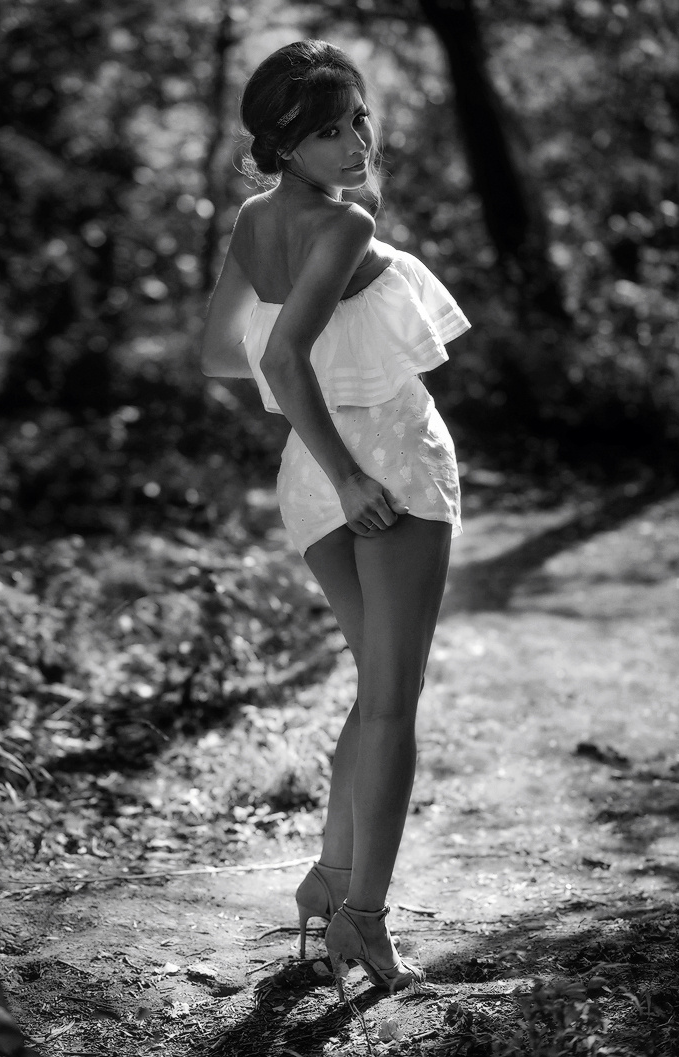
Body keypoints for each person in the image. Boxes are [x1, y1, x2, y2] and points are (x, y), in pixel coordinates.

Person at [200, 39, 470, 999]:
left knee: (376, 688)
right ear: (282, 143)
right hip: (380, 470)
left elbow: (223, 353)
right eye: (326, 132)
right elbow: (278, 360)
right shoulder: (346, 223)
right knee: (393, 700)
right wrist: (353, 467)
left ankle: (328, 877)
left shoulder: (255, 218)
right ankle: (364, 917)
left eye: (356, 118)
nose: (355, 143)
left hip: (307, 474)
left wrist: (321, 376)